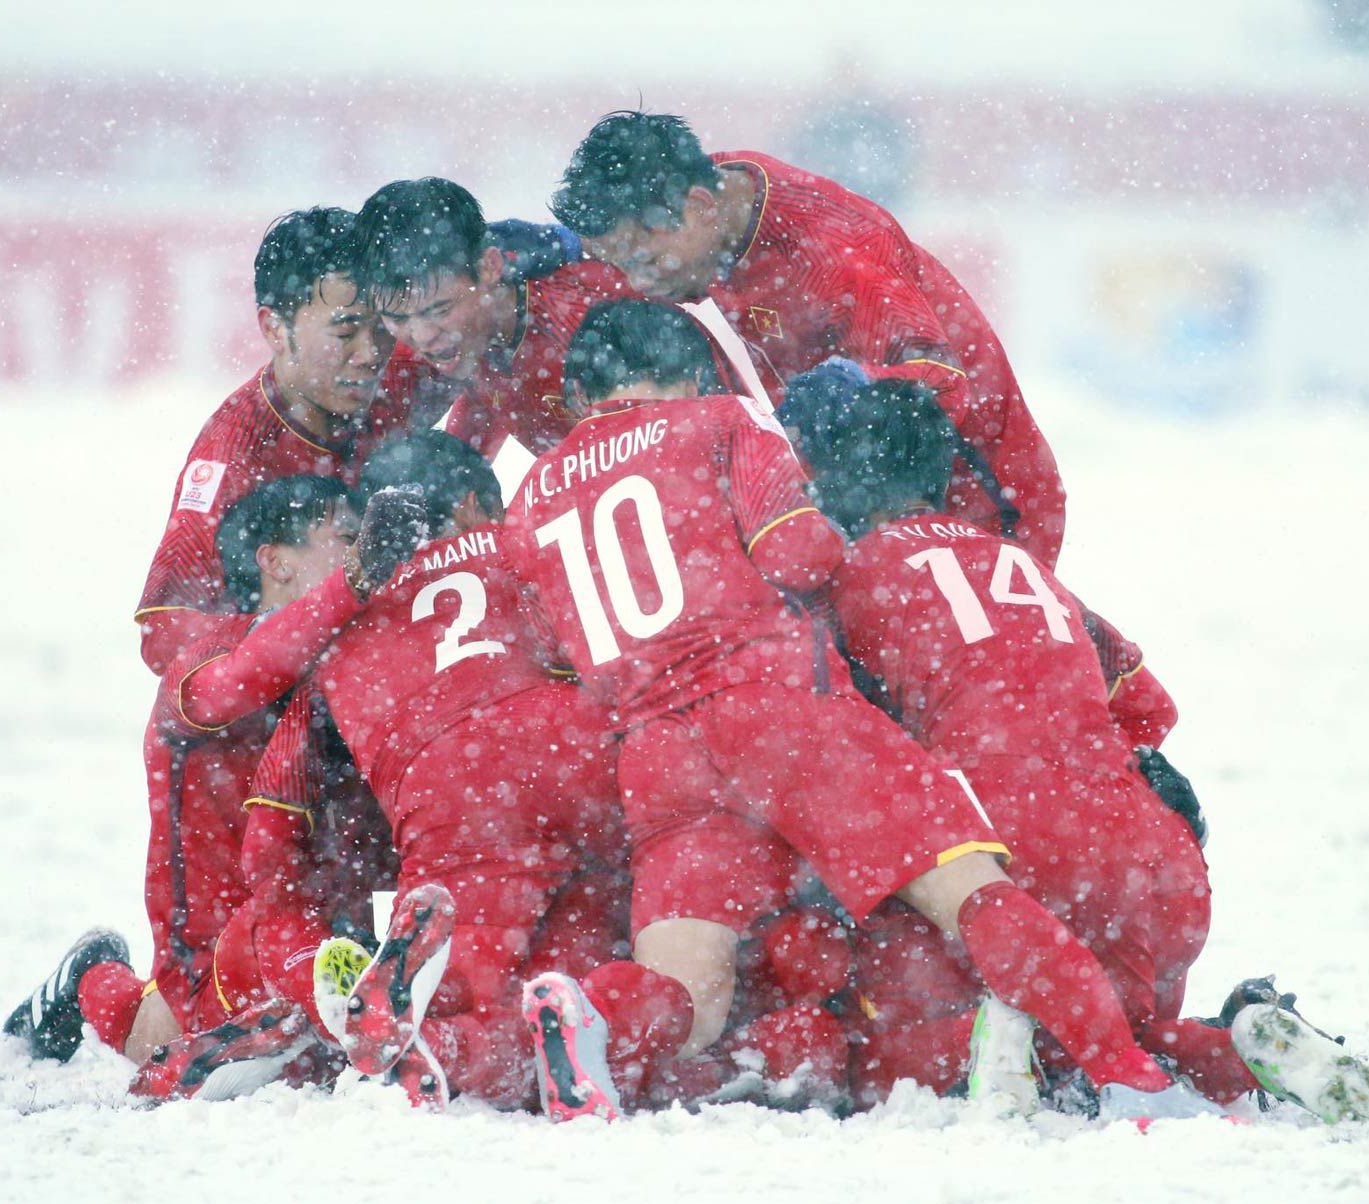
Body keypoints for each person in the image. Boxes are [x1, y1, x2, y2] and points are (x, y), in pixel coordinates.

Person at [501, 298, 1195, 1122]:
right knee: (973, 892)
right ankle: (1125, 1073)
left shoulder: (532, 495)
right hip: (781, 714)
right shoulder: (719, 421)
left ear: (580, 396)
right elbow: (796, 553)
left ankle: (596, 1016)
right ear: (691, 376)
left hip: (657, 750)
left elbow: (546, 645)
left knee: (691, 992)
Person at [793, 384, 1369, 1123]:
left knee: (885, 1060)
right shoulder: (1029, 569)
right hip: (1149, 861)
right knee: (1115, 1020)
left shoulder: (844, 580)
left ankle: (1006, 1039)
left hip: (1004, 846)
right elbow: (1147, 709)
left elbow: (816, 733)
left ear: (832, 480)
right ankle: (1232, 1046)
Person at [226, 434, 630, 1110]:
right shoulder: (524, 549)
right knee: (596, 963)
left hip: (449, 799)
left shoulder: (332, 621)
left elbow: (269, 822)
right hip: (584, 756)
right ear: (475, 504)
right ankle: (607, 1021)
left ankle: (421, 1040)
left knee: (459, 996)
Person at [6, 474, 416, 1066]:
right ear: (274, 563)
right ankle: (95, 979)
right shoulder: (203, 659)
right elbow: (250, 671)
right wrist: (356, 582)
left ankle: (98, 982)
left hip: (323, 929)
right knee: (242, 1018)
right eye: (350, 538)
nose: (366, 553)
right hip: (218, 954)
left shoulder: (358, 651)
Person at [550, 110, 1066, 565]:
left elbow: (948, 386)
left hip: (977, 497)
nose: (638, 284)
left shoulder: (834, 252)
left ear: (702, 208)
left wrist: (852, 387)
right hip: (855, 500)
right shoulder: (707, 192)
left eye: (643, 260)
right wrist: (559, 253)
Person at [133, 206, 442, 676]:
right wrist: (298, 626)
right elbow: (162, 634)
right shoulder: (233, 456)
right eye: (345, 332)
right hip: (302, 693)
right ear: (275, 329)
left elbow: (489, 335)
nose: (372, 353)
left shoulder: (404, 361)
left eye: (382, 326)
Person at [347, 178, 642, 462]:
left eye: (440, 310)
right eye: (397, 317)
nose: (423, 337)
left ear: (490, 267)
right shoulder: (438, 346)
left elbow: (680, 435)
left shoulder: (596, 308)